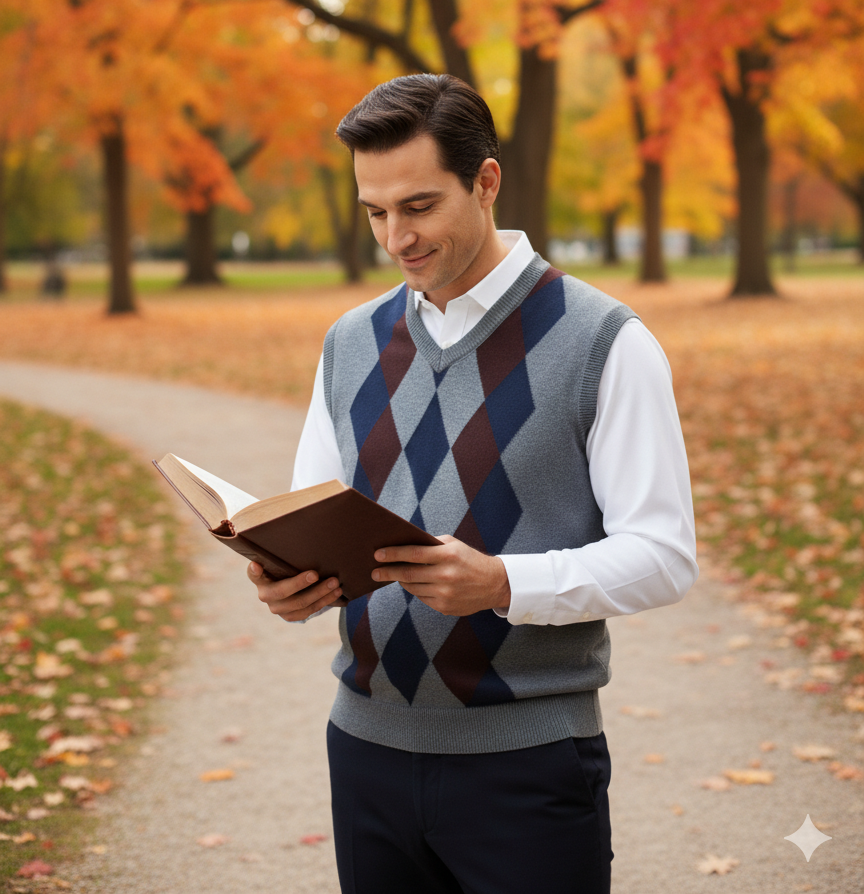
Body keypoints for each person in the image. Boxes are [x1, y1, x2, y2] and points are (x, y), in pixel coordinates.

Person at [247, 73, 698, 894]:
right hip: (363, 752)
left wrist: (501, 584)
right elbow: (314, 511)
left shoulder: (605, 342)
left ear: (486, 181)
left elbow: (665, 555)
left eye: (419, 207)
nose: (396, 238)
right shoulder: (349, 343)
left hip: (526, 763)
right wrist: (290, 578)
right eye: (375, 212)